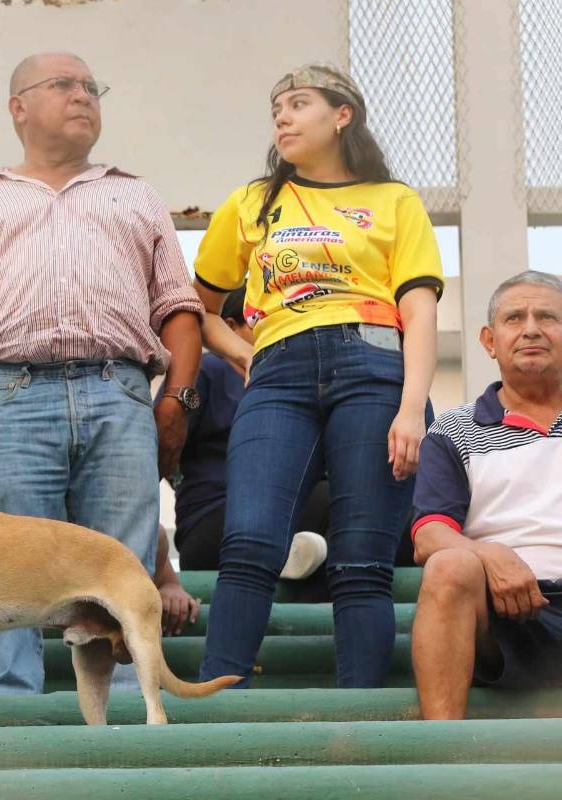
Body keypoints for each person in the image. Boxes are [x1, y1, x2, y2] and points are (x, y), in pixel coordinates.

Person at [0, 51, 203, 694]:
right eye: (63, 85)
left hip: (119, 392)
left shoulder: (135, 194)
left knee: (121, 565)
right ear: (18, 107)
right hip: (10, 396)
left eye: (90, 86)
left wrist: (177, 401)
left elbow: (179, 307)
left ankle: (130, 715)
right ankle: (10, 712)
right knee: (0, 568)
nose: (83, 95)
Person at [193, 63, 443, 688]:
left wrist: (412, 407)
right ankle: (218, 702)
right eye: (277, 108)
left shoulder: (394, 200)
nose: (283, 116)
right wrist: (243, 354)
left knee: (362, 560)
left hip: (375, 366)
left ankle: (358, 715)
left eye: (299, 103)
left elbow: (419, 310)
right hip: (278, 374)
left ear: (342, 115)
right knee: (249, 541)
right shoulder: (253, 201)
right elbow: (198, 308)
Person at [412, 271, 562, 718]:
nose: (531, 329)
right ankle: (443, 751)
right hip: (505, 611)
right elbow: (429, 533)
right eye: (514, 318)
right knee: (449, 565)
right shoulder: (453, 429)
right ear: (489, 341)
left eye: (548, 317)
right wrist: (488, 554)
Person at [168, 287, 328, 578]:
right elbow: (165, 437)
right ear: (230, 327)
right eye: (260, 320)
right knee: (335, 500)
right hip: (216, 516)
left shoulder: (294, 380)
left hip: (284, 510)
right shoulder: (209, 370)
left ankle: (292, 558)